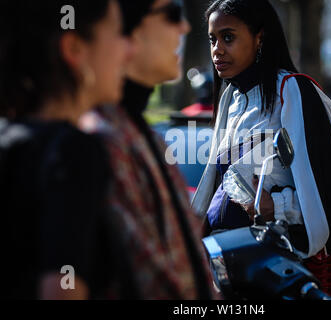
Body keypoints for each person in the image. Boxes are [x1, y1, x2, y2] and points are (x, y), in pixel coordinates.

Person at [191, 0, 331, 259]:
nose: (217, 50)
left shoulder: (293, 91)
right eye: (212, 39)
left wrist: (278, 206)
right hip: (223, 263)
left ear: (259, 38)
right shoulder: (230, 98)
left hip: (275, 265)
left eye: (228, 37)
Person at [80, 0, 217, 299]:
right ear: (128, 30)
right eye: (171, 15)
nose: (185, 27)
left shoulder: (143, 134)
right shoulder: (97, 140)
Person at [0, 0, 132, 299]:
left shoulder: (11, 138)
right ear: (74, 49)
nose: (129, 49)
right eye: (117, 33)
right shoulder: (73, 151)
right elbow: (63, 286)